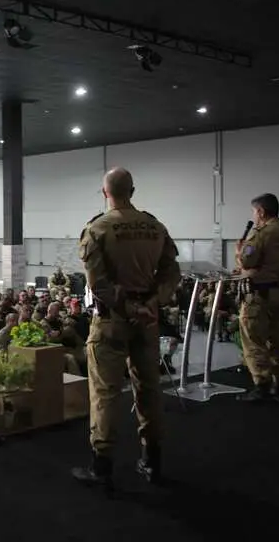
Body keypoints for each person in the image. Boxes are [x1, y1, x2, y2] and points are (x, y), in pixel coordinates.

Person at [71, 167, 181, 488]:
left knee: (105, 391)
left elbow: (98, 284)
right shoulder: (154, 226)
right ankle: (152, 461)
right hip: (147, 321)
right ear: (132, 191)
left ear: (105, 192)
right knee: (148, 388)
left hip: (111, 321)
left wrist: (128, 306)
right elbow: (172, 271)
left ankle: (101, 467)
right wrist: (151, 303)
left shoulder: (98, 229)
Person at [235, 193, 279, 403]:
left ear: (261, 212)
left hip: (259, 295)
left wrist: (239, 253)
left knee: (254, 341)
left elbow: (247, 261)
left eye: (255, 211)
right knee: (277, 341)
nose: (254, 215)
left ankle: (261, 386)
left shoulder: (261, 234)